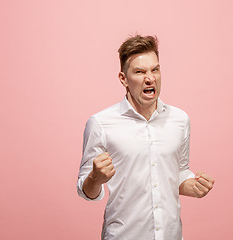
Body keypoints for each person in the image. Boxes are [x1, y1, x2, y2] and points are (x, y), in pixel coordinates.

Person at [77, 35, 215, 240]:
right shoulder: (100, 123)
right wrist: (95, 178)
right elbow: (86, 190)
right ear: (123, 79)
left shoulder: (180, 119)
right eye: (140, 72)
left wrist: (193, 186)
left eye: (155, 70)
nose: (150, 78)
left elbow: (178, 173)